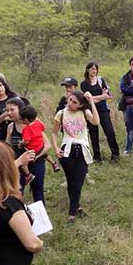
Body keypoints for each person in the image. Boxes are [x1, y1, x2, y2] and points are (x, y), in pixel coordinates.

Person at [51, 91, 100, 222]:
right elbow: (54, 133)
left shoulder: (84, 112)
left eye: (74, 102)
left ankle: (71, 215)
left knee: (78, 183)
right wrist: (56, 148)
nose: (70, 103)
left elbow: (95, 122)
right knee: (71, 182)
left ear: (80, 105)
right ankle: (76, 208)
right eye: (70, 100)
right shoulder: (61, 113)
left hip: (82, 150)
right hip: (66, 150)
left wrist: (91, 103)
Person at [80, 63, 120, 162]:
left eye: (95, 69)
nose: (93, 71)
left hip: (103, 110)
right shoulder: (84, 83)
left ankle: (115, 154)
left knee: (109, 132)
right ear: (88, 70)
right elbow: (86, 99)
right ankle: (97, 156)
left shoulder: (101, 81)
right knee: (94, 134)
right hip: (91, 111)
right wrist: (100, 97)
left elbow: (107, 96)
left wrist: (92, 98)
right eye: (92, 69)